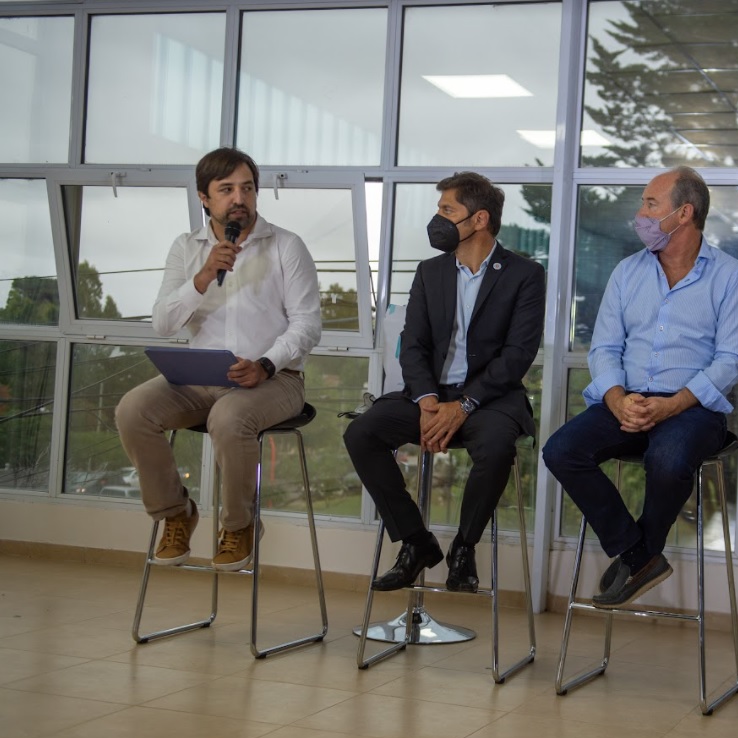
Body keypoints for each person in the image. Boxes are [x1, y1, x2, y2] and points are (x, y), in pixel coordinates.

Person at [542, 166, 738, 609]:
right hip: (627, 399)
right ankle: (638, 555)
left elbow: (732, 359)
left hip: (693, 407)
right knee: (561, 450)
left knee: (668, 459)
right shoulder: (627, 272)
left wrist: (673, 405)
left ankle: (638, 556)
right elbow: (604, 347)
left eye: (650, 204)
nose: (640, 214)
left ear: (684, 213)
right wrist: (617, 398)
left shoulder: (732, 276)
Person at [115, 147, 321, 571]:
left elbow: (307, 325)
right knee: (132, 410)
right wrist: (204, 276)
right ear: (204, 198)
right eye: (226, 190)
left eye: (247, 188)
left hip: (275, 379)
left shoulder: (286, 245)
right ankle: (176, 513)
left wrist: (265, 364)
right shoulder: (186, 248)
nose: (239, 198)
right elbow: (162, 324)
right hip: (201, 375)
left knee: (228, 419)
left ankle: (239, 524)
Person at [343, 172, 545, 593]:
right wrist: (427, 399)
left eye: (447, 210)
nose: (437, 219)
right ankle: (416, 542)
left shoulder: (525, 274)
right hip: (430, 397)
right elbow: (412, 343)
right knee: (362, 432)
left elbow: (517, 355)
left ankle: (464, 548)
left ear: (479, 219)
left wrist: (465, 404)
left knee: (497, 447)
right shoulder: (430, 271)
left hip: (490, 400)